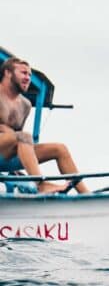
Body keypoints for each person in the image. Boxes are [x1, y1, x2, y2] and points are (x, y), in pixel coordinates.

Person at [0, 57, 90, 193]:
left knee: (60, 149)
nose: (28, 78)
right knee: (23, 137)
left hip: (5, 154)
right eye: (23, 73)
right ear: (7, 73)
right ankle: (41, 184)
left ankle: (86, 195)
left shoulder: (25, 105)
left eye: (29, 75)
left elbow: (15, 138)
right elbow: (16, 136)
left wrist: (8, 132)